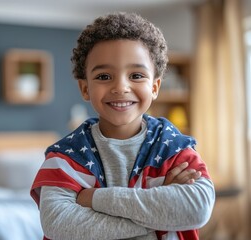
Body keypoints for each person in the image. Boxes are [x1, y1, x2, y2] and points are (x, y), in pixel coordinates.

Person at [30, 12, 215, 240]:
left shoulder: (175, 150)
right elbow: (58, 224)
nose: (121, 87)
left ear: (155, 87)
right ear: (85, 88)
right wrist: (160, 212)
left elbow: (197, 208)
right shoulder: (66, 157)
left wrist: (94, 198)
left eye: (136, 75)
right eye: (104, 76)